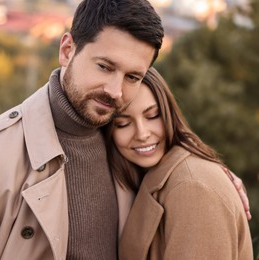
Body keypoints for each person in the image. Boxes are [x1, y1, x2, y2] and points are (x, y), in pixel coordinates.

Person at [0, 0, 249, 259]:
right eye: (104, 66)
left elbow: (177, 171)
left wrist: (208, 174)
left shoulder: (123, 140)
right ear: (67, 50)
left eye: (132, 77)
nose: (115, 91)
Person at [104, 67, 253, 259]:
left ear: (168, 113)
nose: (142, 134)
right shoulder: (144, 175)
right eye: (123, 124)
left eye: (153, 116)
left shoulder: (192, 188)